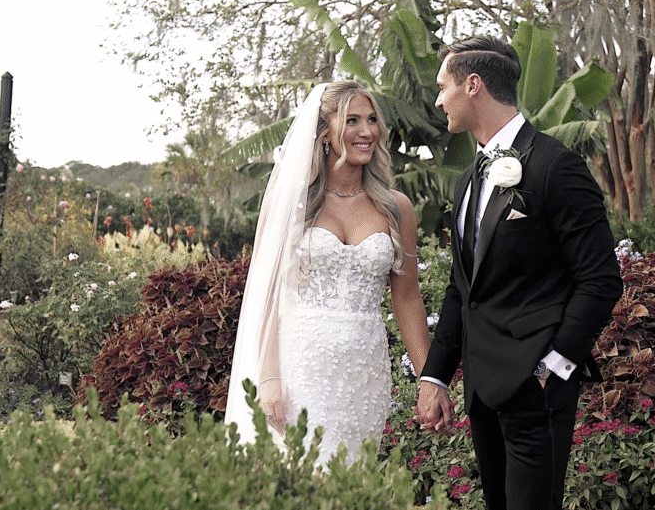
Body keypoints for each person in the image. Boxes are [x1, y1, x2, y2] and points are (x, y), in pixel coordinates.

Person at [415, 36, 623, 510]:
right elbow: (462, 288)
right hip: (484, 391)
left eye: (443, 87)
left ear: (473, 85)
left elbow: (601, 278)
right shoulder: (469, 179)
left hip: (536, 388)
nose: (438, 100)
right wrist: (437, 377)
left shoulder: (556, 167)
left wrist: (554, 365)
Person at [225, 81, 430, 467]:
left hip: (363, 373)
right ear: (324, 134)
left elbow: (407, 298)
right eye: (352, 120)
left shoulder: (396, 207)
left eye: (372, 120)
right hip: (299, 369)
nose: (366, 131)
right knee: (301, 479)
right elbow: (268, 296)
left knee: (349, 479)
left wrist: (429, 379)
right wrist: (268, 377)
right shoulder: (292, 206)